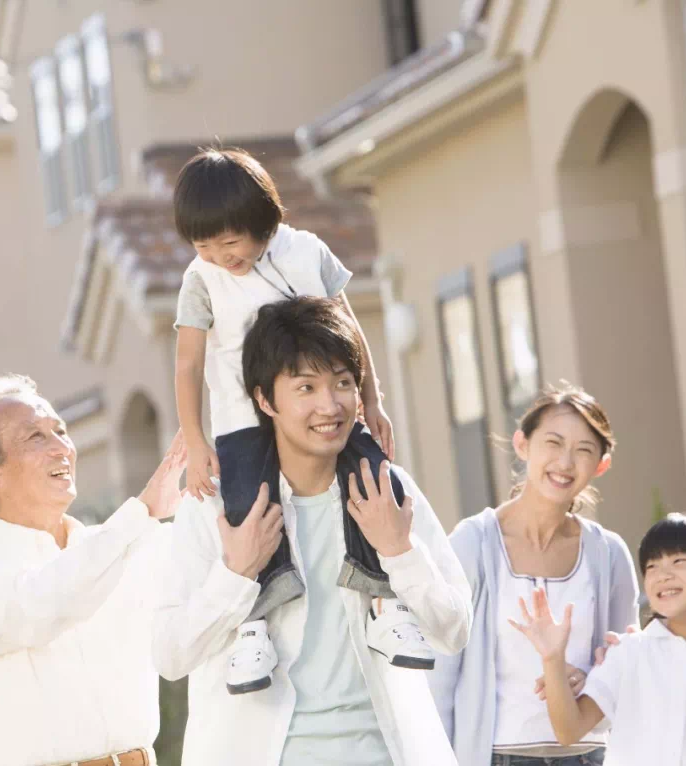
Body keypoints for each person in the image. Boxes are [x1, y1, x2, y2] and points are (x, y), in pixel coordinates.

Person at [153, 296, 472, 766]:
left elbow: (454, 630)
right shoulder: (215, 507)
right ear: (265, 399)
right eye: (306, 387)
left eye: (343, 383)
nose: (330, 405)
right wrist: (236, 574)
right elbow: (170, 655)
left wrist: (399, 551)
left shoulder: (387, 490)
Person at [171, 146, 429, 694]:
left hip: (322, 411)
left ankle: (384, 604)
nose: (218, 255)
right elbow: (188, 364)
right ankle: (253, 627)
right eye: (203, 245)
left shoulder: (307, 253)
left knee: (373, 478)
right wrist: (195, 441)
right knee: (249, 510)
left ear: (262, 219)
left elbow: (349, 331)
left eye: (230, 241)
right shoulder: (201, 279)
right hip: (242, 419)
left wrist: (372, 399)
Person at [0, 375, 186, 766]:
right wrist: (141, 513)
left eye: (61, 431)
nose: (62, 449)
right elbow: (44, 604)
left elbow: (209, 582)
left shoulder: (121, 544)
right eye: (35, 437)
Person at [430, 384, 639, 766]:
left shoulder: (608, 554)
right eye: (553, 443)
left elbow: (627, 665)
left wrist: (592, 679)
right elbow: (439, 676)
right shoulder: (472, 544)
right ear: (522, 444)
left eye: (584, 450)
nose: (565, 462)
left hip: (589, 756)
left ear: (601, 465)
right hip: (497, 757)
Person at [512, 513, 686, 765]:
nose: (662, 575)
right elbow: (569, 731)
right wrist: (553, 658)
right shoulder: (629, 651)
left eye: (679, 560)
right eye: (652, 566)